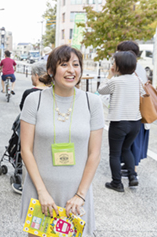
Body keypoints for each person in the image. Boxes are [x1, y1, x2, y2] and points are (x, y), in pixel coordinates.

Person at [19, 45, 104, 236]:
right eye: (64, 64)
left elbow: (95, 153)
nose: (71, 70)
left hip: (77, 194)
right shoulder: (35, 100)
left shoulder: (93, 102)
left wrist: (80, 195)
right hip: (40, 191)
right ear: (50, 70)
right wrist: (42, 192)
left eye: (76, 64)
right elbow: (26, 150)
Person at [98, 51, 142, 192]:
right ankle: (132, 177)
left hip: (119, 122)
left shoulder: (115, 81)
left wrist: (110, 75)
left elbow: (101, 90)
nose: (113, 65)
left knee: (115, 154)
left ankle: (117, 183)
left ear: (119, 65)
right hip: (135, 121)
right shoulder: (137, 79)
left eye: (114, 63)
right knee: (127, 149)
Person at [12, 60, 51, 194]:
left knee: (27, 155)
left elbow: (23, 110)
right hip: (48, 131)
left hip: (31, 131)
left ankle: (25, 185)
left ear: (35, 75)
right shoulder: (53, 92)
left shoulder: (29, 93)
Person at [116, 41, 150, 174]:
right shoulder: (139, 67)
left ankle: (132, 171)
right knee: (132, 141)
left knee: (132, 142)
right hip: (137, 111)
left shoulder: (130, 68)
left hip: (132, 112)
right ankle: (130, 167)